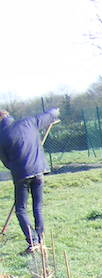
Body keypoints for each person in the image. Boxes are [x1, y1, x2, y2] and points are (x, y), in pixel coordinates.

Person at [0, 106, 60, 253]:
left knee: (21, 210)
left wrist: (16, 166)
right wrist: (55, 112)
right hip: (39, 171)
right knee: (37, 207)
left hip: (21, 175)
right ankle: (41, 239)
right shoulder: (29, 122)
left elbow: (5, 161)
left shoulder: (1, 136)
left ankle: (33, 242)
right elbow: (52, 114)